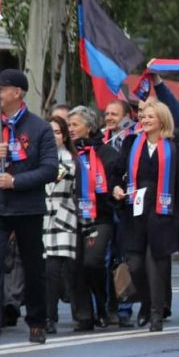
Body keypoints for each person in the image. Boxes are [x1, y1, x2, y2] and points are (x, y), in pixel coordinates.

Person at [0, 69, 59, 345]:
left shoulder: (39, 128)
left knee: (33, 267)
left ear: (17, 93)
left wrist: (16, 181)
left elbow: (50, 169)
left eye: (1, 88)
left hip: (27, 207)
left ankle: (37, 322)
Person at [111, 99, 179, 331]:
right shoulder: (131, 143)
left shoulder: (173, 149)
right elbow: (117, 172)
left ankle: (156, 313)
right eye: (143, 116)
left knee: (157, 266)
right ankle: (146, 302)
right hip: (134, 213)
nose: (144, 120)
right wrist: (116, 187)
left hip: (163, 214)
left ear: (162, 121)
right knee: (135, 266)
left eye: (150, 117)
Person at [67, 106, 122, 329]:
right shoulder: (65, 153)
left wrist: (115, 193)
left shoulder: (107, 153)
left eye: (75, 125)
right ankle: (84, 315)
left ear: (89, 128)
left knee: (92, 261)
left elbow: (115, 181)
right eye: (68, 125)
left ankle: (103, 304)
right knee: (74, 265)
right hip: (71, 218)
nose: (70, 129)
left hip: (100, 217)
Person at [43, 116, 78, 333]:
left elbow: (55, 176)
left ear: (64, 136)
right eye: (49, 132)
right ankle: (43, 313)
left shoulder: (70, 160)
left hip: (63, 218)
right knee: (41, 271)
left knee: (52, 268)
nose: (53, 136)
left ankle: (50, 317)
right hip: (39, 217)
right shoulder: (36, 156)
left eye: (57, 132)